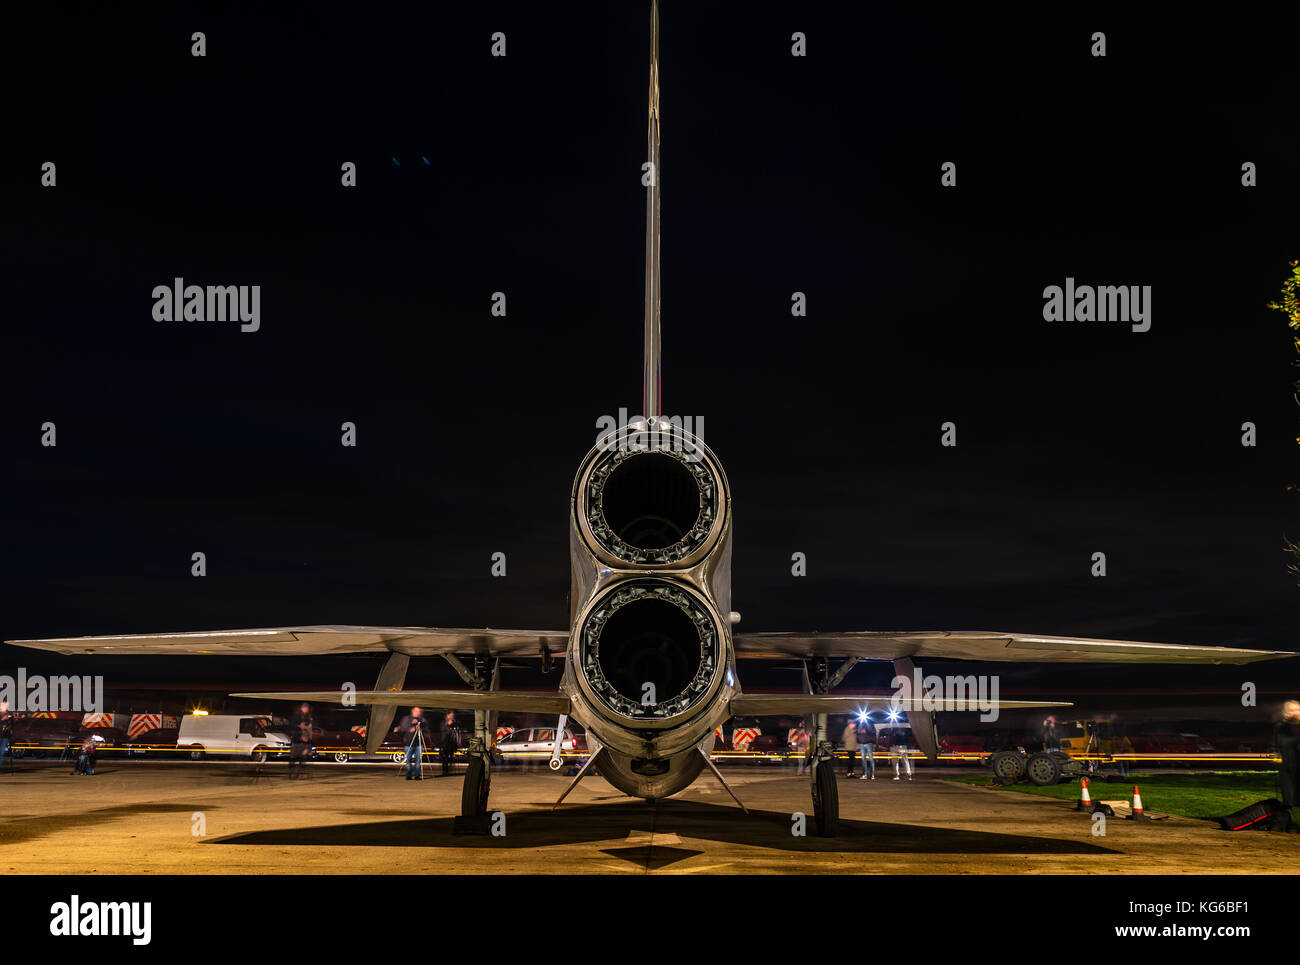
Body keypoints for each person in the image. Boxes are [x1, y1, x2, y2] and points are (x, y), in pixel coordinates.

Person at [1274, 700, 1300, 809]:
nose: (1295, 712)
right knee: (1288, 791)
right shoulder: (1280, 727)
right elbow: (1275, 744)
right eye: (1292, 710)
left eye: (1297, 709)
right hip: (1286, 765)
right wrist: (1275, 753)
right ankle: (1288, 810)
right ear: (1286, 712)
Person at [398, 706, 427, 780]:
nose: (418, 712)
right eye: (416, 711)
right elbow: (402, 728)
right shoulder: (406, 718)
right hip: (408, 742)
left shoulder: (421, 719)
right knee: (408, 760)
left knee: (418, 760)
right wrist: (411, 727)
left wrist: (420, 725)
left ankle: (417, 775)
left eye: (419, 711)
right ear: (412, 711)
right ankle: (409, 774)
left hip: (419, 743)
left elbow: (426, 726)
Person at [287, 703, 314, 777]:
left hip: (305, 742)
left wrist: (309, 744)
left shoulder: (309, 717)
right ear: (302, 708)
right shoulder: (297, 716)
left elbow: (309, 730)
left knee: (302, 758)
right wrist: (299, 727)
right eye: (305, 708)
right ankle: (291, 773)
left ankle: (298, 774)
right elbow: (292, 726)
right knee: (293, 758)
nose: (306, 709)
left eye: (307, 708)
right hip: (297, 741)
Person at [439, 711, 461, 776]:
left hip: (452, 742)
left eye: (453, 715)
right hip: (445, 742)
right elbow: (442, 729)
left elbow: (457, 731)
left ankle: (450, 769)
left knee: (451, 756)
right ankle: (445, 769)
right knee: (445, 757)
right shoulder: (443, 722)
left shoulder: (454, 722)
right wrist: (448, 724)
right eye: (451, 715)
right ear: (447, 715)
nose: (452, 716)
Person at [856, 715, 877, 780]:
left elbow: (873, 732)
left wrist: (866, 730)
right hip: (862, 744)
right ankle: (864, 775)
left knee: (871, 759)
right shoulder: (859, 725)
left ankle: (872, 775)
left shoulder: (870, 724)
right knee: (863, 760)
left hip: (869, 743)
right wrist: (858, 740)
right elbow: (857, 733)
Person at [0, 699, 14, 773]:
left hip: (5, 736)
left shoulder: (9, 715)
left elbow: (11, 725)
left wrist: (10, 730)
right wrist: (2, 719)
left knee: (1, 753)